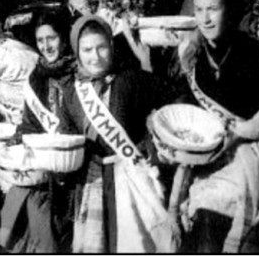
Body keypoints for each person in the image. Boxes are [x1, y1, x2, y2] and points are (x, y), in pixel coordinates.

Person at [176, 0, 259, 253]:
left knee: (212, 211)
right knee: (198, 217)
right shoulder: (193, 57)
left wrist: (241, 131)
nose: (205, 19)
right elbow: (187, 113)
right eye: (199, 10)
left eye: (213, 9)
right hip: (210, 157)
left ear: (230, 12)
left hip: (251, 154)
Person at [55, 15, 177, 253]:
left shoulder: (130, 80)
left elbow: (172, 99)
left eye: (101, 47)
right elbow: (67, 134)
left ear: (111, 46)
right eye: (87, 50)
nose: (95, 56)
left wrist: (155, 135)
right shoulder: (71, 92)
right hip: (91, 180)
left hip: (130, 176)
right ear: (77, 52)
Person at [0, 8, 77, 253]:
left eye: (51, 38)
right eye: (40, 40)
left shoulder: (79, 72)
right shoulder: (37, 76)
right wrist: (16, 144)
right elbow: (29, 123)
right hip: (44, 167)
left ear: (64, 38)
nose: (46, 46)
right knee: (29, 210)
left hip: (73, 165)